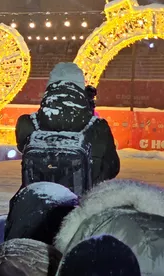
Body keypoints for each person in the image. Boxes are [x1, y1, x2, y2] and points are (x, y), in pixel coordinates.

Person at [16, 62, 119, 193]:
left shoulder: (27, 122)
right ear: (81, 87)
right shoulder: (98, 127)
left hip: (37, 200)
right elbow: (112, 167)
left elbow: (23, 148)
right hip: (83, 200)